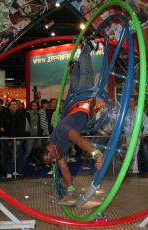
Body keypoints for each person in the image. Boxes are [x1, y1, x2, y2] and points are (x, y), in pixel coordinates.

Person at [40, 43, 104, 203]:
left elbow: (79, 140)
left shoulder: (61, 132)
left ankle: (87, 47)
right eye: (51, 162)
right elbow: (65, 170)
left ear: (49, 148)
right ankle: (75, 64)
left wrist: (95, 153)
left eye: (51, 159)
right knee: (77, 77)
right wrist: (70, 191)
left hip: (81, 102)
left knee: (86, 73)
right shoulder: (57, 151)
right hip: (78, 105)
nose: (54, 161)